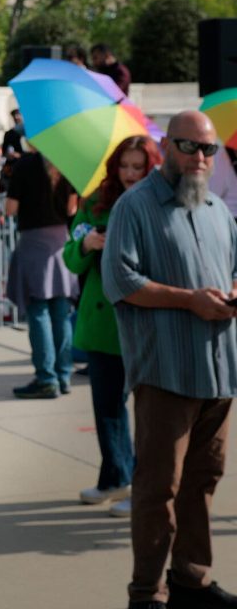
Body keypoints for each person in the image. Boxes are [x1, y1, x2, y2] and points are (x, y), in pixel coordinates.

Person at [102, 111, 237, 609]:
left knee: (203, 482)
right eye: (191, 147)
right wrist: (190, 300)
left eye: (210, 151)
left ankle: (190, 580)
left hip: (220, 371)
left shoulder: (216, 210)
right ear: (168, 146)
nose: (201, 159)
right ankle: (147, 593)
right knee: (159, 488)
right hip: (166, 373)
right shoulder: (134, 207)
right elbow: (122, 280)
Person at [63, 135, 162, 518]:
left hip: (145, 321)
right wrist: (87, 244)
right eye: (125, 166)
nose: (131, 174)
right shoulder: (93, 202)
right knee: (106, 407)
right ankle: (115, 475)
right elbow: (70, 259)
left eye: (139, 167)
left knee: (150, 414)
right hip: (101, 319)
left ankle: (143, 485)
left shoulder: (160, 202)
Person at [6, 152, 79, 398]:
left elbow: (11, 208)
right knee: (61, 312)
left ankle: (47, 378)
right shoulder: (68, 162)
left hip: (34, 242)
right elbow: (71, 209)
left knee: (38, 312)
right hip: (60, 241)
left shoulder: (25, 164)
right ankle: (63, 374)